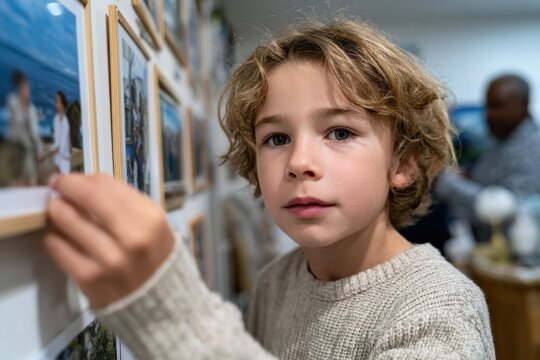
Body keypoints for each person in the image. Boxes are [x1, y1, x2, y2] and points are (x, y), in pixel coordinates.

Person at [44, 19, 495, 359]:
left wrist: (171, 313)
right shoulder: (275, 283)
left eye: (339, 132)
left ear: (403, 163)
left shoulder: (440, 310)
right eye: (276, 139)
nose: (299, 162)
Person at [437, 74, 540, 239]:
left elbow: (508, 210)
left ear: (523, 105)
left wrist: (444, 180)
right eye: (487, 106)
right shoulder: (503, 139)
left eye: (497, 106)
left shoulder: (534, 150)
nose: (488, 115)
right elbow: (488, 178)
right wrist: (466, 175)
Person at [6, 70, 42, 185]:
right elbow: (14, 121)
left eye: (27, 88)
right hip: (16, 146)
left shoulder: (31, 109)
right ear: (19, 89)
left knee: (30, 178)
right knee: (15, 178)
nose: (27, 91)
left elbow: (35, 133)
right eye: (24, 88)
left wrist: (39, 150)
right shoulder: (13, 101)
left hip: (27, 148)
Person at [49, 91, 72, 174]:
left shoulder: (65, 123)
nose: (55, 104)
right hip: (57, 159)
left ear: (62, 104)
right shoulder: (56, 119)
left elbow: (61, 146)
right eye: (55, 101)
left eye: (57, 101)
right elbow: (56, 142)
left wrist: (46, 155)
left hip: (64, 161)